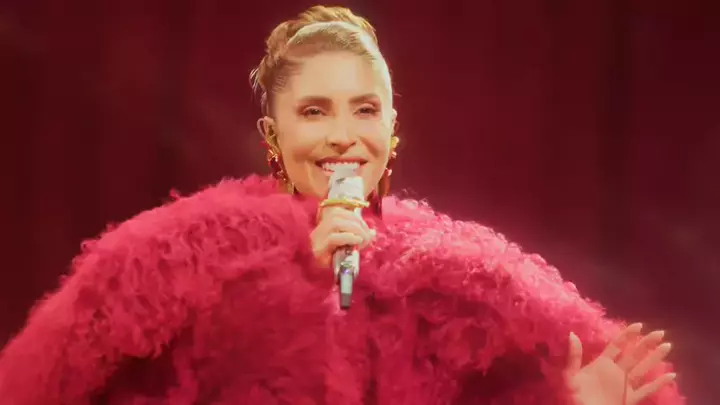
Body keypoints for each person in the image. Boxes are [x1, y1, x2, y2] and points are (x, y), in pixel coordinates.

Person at [0, 5, 683, 405]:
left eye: (364, 109)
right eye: (314, 111)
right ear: (272, 134)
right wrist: (299, 290)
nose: (342, 135)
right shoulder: (176, 259)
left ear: (393, 125)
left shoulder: (461, 280)